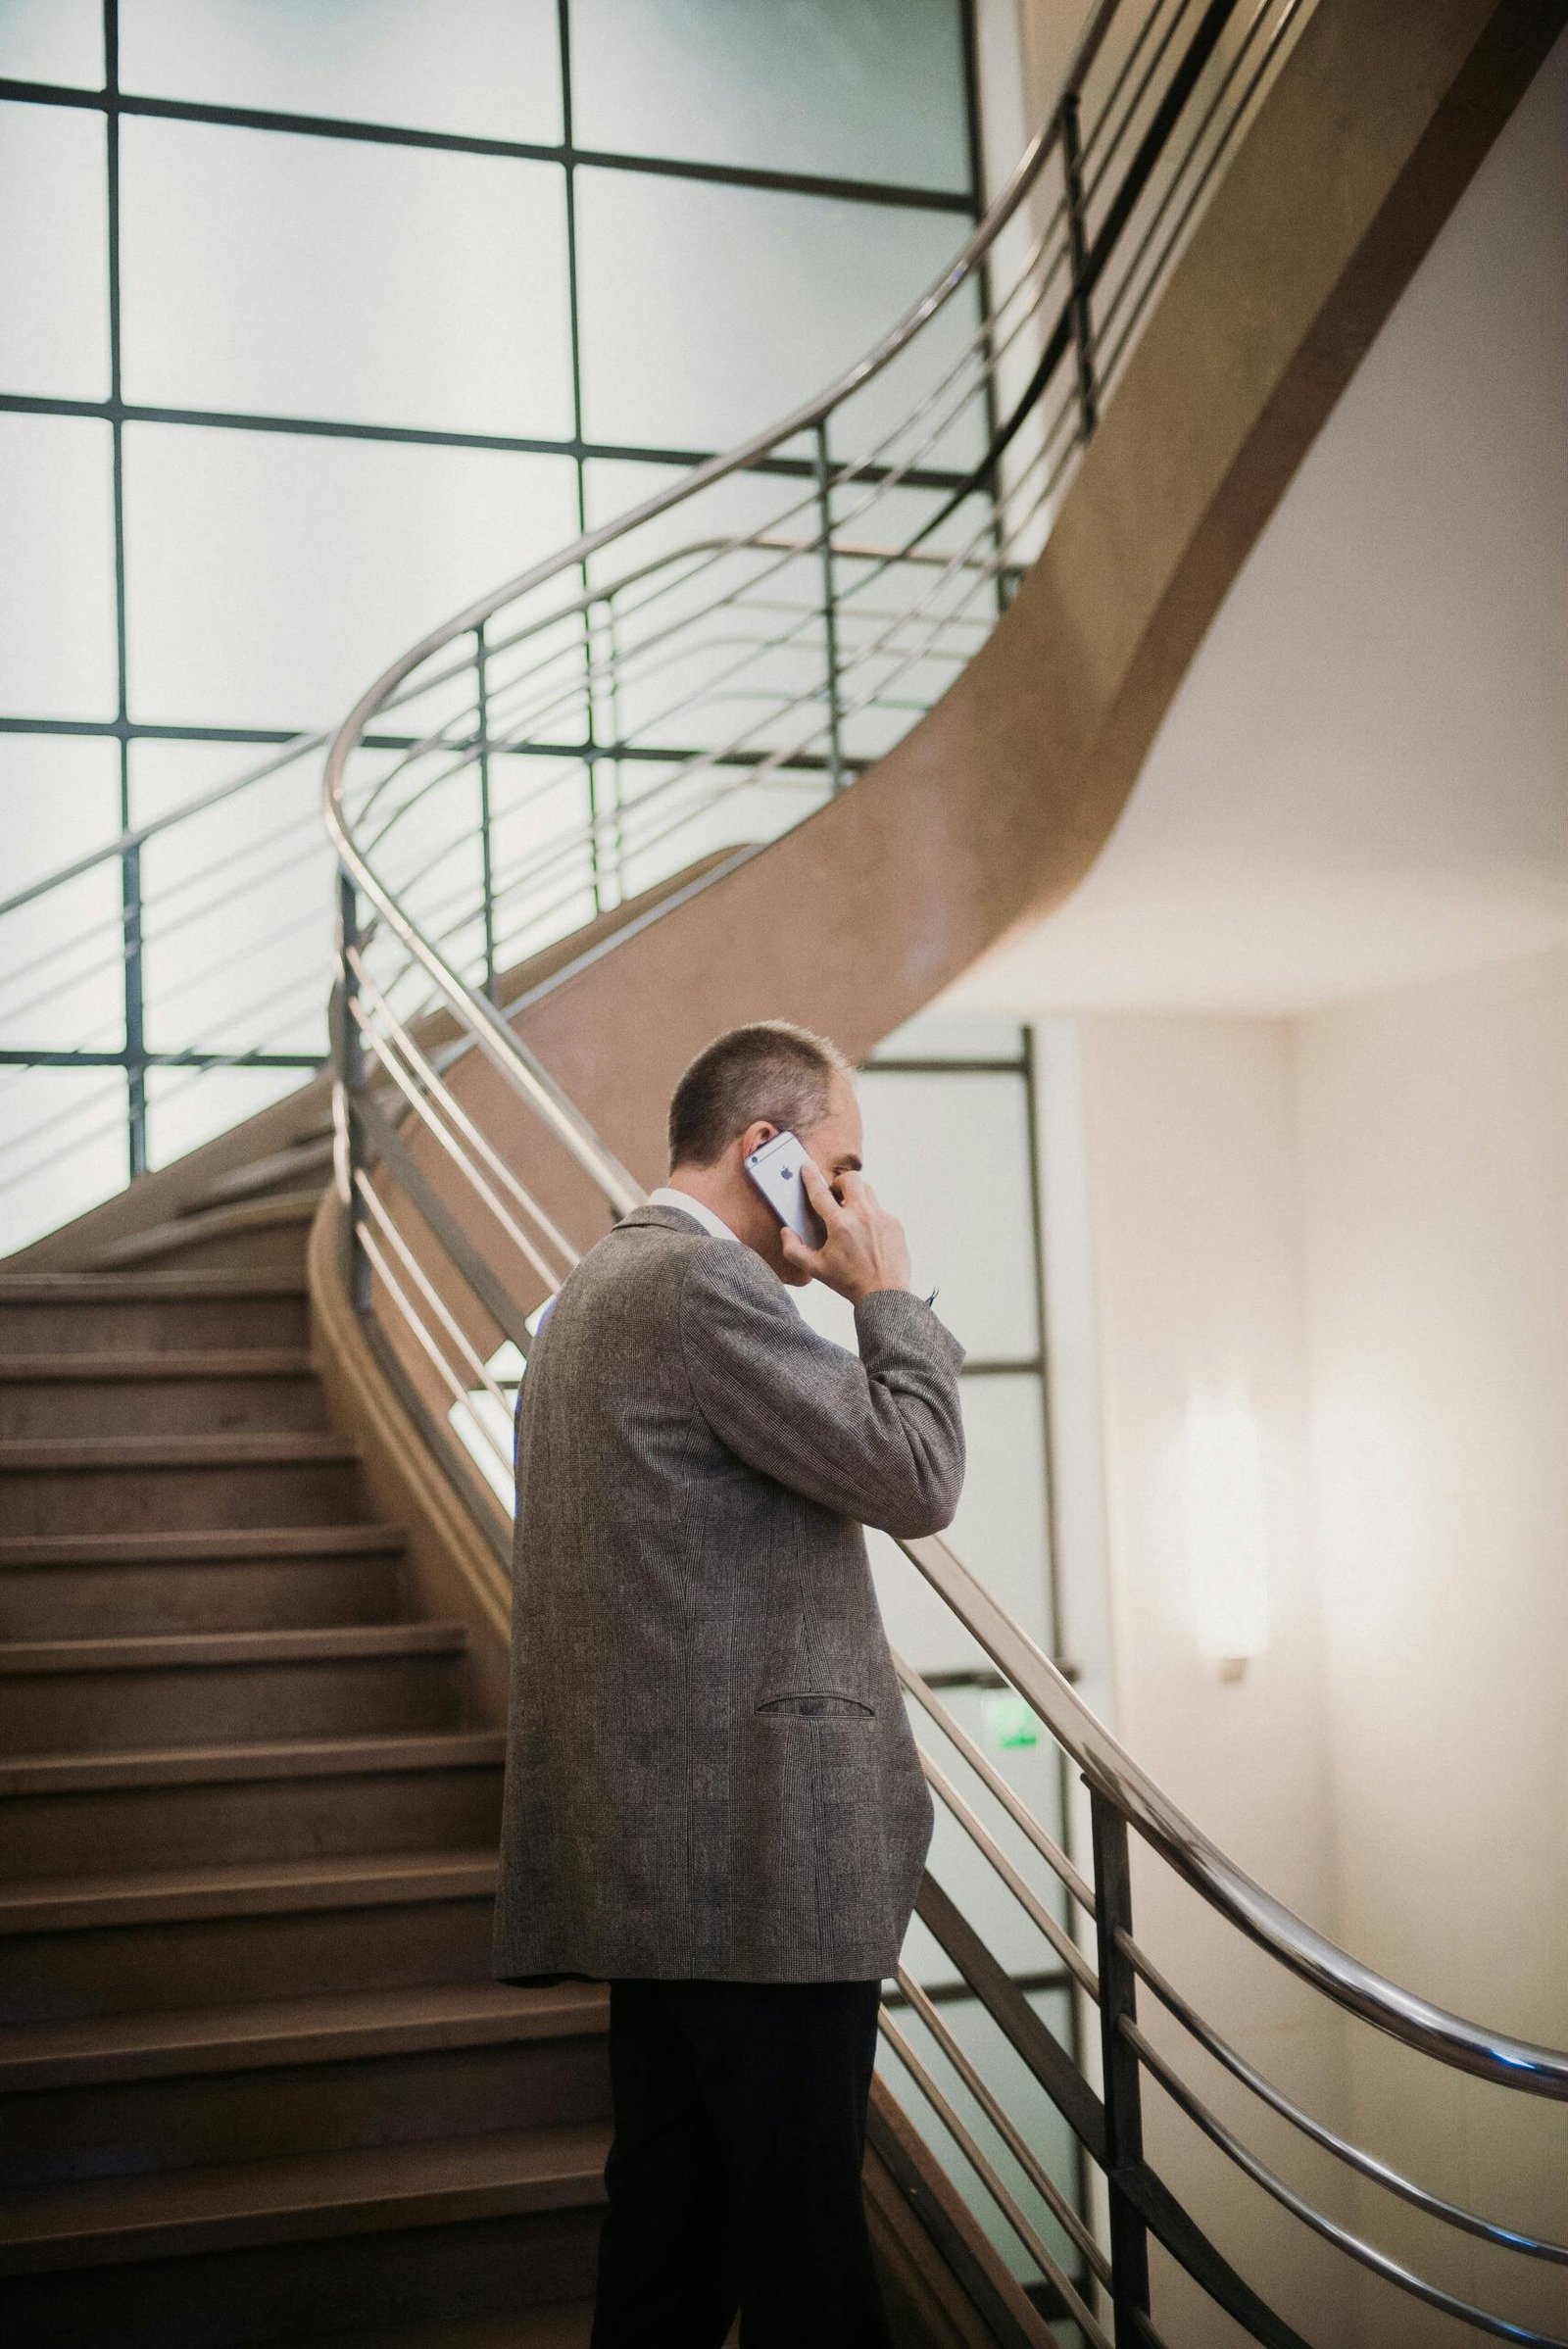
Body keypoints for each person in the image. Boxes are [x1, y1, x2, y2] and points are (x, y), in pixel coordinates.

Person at [492, 1018, 966, 2348]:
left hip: (667, 1878)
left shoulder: (590, 1290)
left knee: (668, 2250)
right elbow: (917, 1470)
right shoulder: (700, 1292)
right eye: (840, 1162)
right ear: (765, 1151)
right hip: (762, 1878)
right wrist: (883, 1292)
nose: (849, 1196)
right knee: (807, 2262)